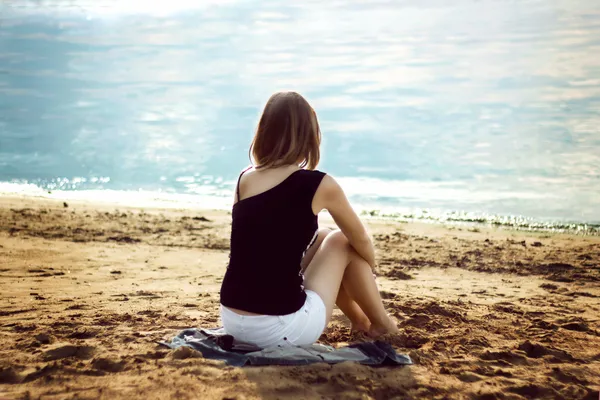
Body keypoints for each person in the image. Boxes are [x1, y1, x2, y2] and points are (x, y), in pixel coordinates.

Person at [219, 91, 398, 349]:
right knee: (341, 240)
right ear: (310, 136)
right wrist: (368, 268)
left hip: (233, 321)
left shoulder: (244, 179)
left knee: (325, 236)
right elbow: (359, 239)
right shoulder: (319, 184)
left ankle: (359, 321)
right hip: (279, 328)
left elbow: (258, 244)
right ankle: (382, 323)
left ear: (264, 132)